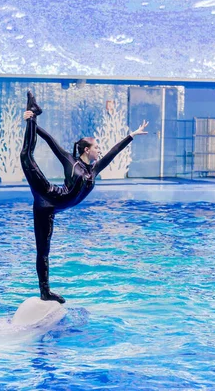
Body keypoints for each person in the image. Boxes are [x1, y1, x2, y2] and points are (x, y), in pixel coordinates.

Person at [20, 91, 148, 304]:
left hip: (49, 209)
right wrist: (32, 122)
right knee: (26, 156)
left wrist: (132, 135)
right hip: (47, 193)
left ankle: (45, 291)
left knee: (43, 251)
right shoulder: (70, 161)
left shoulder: (94, 170)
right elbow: (51, 141)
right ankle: (33, 112)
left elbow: (113, 152)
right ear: (86, 150)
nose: (100, 149)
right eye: (96, 147)